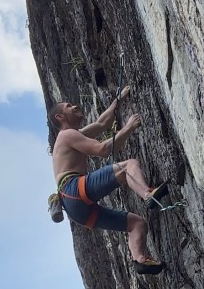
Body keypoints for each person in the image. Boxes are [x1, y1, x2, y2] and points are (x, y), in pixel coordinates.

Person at [48, 88, 168, 275]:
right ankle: (147, 194)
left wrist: (117, 101)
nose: (75, 106)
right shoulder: (67, 135)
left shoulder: (71, 136)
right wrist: (129, 127)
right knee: (129, 166)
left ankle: (140, 259)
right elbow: (103, 149)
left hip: (77, 211)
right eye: (69, 106)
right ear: (60, 117)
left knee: (137, 224)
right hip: (73, 189)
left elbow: (102, 123)